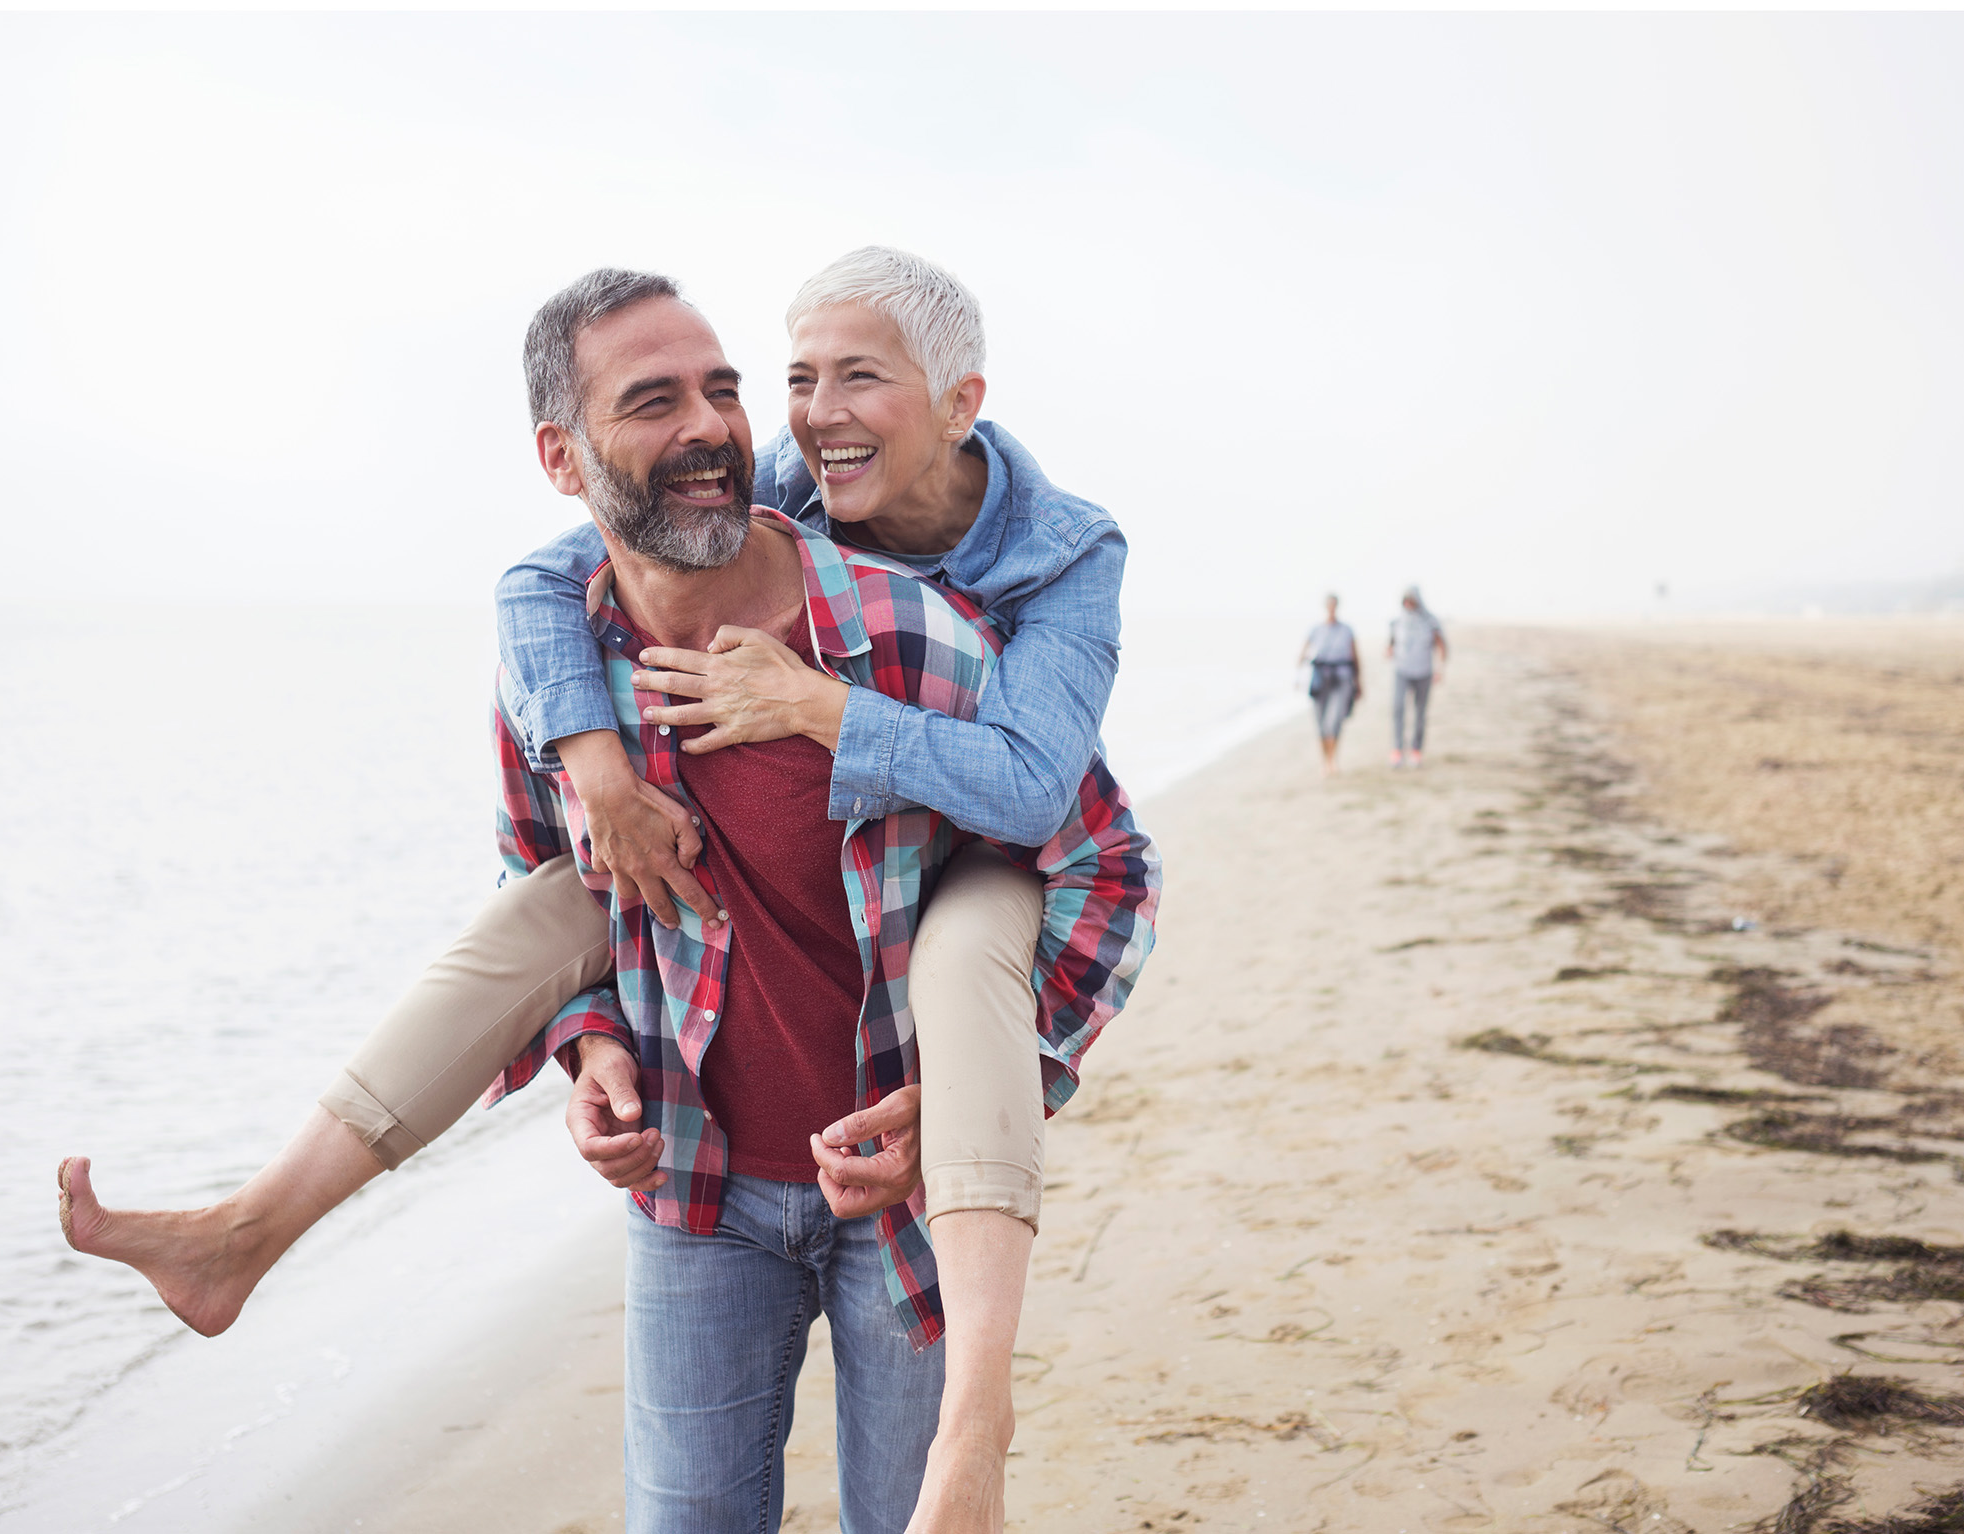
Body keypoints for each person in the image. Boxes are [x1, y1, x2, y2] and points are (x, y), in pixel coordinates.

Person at [58, 253, 1148, 1532]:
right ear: (562, 461)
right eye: (660, 401)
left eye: (723, 392)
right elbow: (543, 869)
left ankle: (980, 1418)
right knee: (543, 911)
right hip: (697, 1180)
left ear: (958, 403)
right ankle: (247, 1228)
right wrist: (590, 1050)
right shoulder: (565, 648)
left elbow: (1080, 836)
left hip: (906, 1183)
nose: (718, 426)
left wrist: (1005, 1071)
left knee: (967, 957)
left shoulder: (932, 620)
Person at [1385, 586, 1448, 768]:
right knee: (1398, 709)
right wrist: (1389, 651)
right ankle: (1397, 751)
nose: (1408, 604)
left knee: (1420, 712)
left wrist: (1439, 669)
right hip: (1401, 670)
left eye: (1411, 601)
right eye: (1405, 601)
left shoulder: (1430, 620)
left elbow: (1441, 646)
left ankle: (1416, 751)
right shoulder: (1398, 621)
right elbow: (1391, 642)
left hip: (1424, 672)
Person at [1298, 593, 1360, 774]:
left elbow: (1355, 657)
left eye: (1334, 605)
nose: (1331, 608)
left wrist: (1358, 682)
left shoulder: (1346, 630)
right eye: (1329, 605)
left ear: (1337, 606)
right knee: (1320, 724)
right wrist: (1298, 676)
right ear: (1325, 606)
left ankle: (1333, 761)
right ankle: (1325, 761)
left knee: (1333, 722)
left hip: (1341, 679)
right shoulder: (1315, 629)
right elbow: (1302, 654)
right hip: (1319, 680)